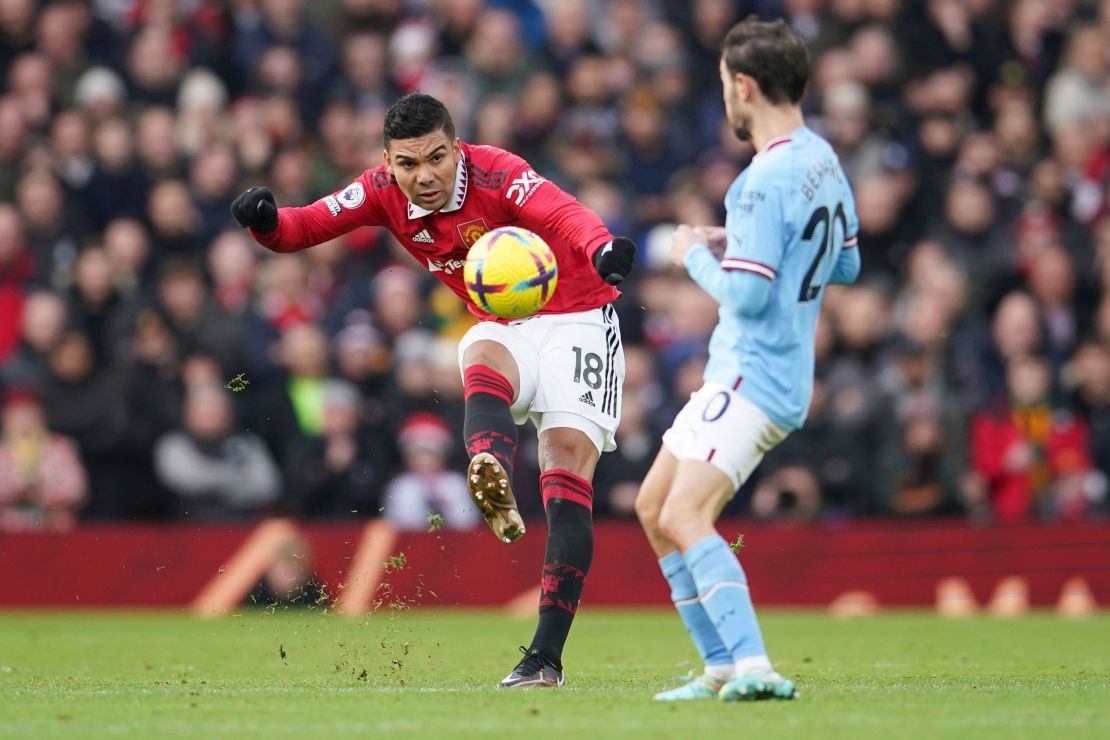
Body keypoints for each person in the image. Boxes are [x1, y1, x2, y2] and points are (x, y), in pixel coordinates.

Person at [231, 92, 637, 688]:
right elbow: (307, 225)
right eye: (408, 164)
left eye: (436, 158)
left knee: (566, 470)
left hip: (579, 316)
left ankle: (544, 659)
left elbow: (561, 213)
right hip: (505, 321)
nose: (423, 176)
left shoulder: (500, 172)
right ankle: (490, 467)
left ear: (457, 148)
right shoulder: (380, 190)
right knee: (478, 350)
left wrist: (602, 247)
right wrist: (265, 223)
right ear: (389, 162)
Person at [634, 19, 861, 702]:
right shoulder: (821, 158)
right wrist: (741, 237)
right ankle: (722, 667)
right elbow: (845, 262)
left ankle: (754, 664)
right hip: (773, 372)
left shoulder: (760, 180)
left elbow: (750, 297)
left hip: (751, 372)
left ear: (745, 87)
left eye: (726, 87)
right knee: (652, 506)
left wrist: (693, 255)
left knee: (683, 515)